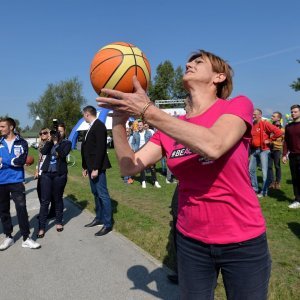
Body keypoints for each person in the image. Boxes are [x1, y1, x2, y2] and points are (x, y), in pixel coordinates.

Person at [97, 49, 271, 299]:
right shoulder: (168, 128)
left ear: (219, 77)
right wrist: (118, 121)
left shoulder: (236, 106)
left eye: (199, 62)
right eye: (189, 61)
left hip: (242, 239)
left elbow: (214, 145)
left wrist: (148, 110)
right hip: (191, 240)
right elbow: (129, 166)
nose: (190, 64)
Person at [0, 117, 41, 250]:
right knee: (3, 210)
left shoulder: (22, 142)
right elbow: (17, 161)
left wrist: (4, 161)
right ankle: (8, 236)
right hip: (1, 181)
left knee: (21, 209)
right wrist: (13, 161)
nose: (0, 129)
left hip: (17, 180)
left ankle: (26, 238)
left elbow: (22, 160)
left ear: (11, 127)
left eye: (2, 127)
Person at [81, 105, 113, 236]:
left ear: (87, 114)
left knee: (102, 194)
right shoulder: (91, 127)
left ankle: (107, 224)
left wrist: (96, 168)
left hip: (97, 167)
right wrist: (85, 167)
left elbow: (100, 149)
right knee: (95, 193)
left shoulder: (99, 126)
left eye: (83, 115)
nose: (83, 117)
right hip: (90, 167)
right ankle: (99, 217)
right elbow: (86, 149)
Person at [37, 122, 71, 238]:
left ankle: (58, 222)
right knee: (45, 200)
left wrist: (56, 143)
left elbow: (63, 154)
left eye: (60, 131)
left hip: (59, 174)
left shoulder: (67, 143)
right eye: (57, 131)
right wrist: (51, 140)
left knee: (57, 199)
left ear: (64, 132)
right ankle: (41, 227)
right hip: (47, 174)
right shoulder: (49, 143)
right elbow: (44, 152)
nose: (58, 133)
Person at [249, 108, 283, 197]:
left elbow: (279, 132)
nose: (253, 116)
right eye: (252, 114)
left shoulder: (265, 123)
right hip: (254, 150)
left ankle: (264, 191)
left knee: (265, 171)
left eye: (255, 114)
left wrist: (270, 140)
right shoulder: (252, 125)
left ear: (260, 115)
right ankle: (255, 188)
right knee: (251, 170)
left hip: (263, 150)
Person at [131, 120, 161, 188]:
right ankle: (143, 181)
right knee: (142, 168)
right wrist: (134, 149)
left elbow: (152, 142)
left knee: (152, 168)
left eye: (140, 125)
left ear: (143, 125)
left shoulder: (149, 133)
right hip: (140, 152)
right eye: (138, 126)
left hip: (148, 152)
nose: (139, 127)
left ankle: (155, 181)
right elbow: (133, 143)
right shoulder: (135, 134)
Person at [34, 128, 56, 218]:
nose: (42, 134)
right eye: (41, 133)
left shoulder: (51, 143)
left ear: (49, 134)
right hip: (41, 171)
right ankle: (44, 211)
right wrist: (36, 170)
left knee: (50, 193)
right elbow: (39, 159)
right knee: (39, 191)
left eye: (45, 133)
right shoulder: (40, 144)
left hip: (49, 171)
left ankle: (52, 211)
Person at [282, 104, 300, 209]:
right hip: (293, 156)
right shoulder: (288, 127)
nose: (293, 113)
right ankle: (297, 199)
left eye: (295, 111)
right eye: (292, 112)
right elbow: (286, 142)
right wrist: (284, 154)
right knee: (295, 178)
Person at [268, 112, 284, 190]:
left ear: (278, 118)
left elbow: (284, 140)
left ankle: (277, 182)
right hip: (269, 149)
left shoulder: (282, 129)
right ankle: (271, 182)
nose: (272, 117)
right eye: (272, 116)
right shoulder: (270, 127)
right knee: (269, 166)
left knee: (277, 166)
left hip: (277, 149)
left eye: (273, 116)